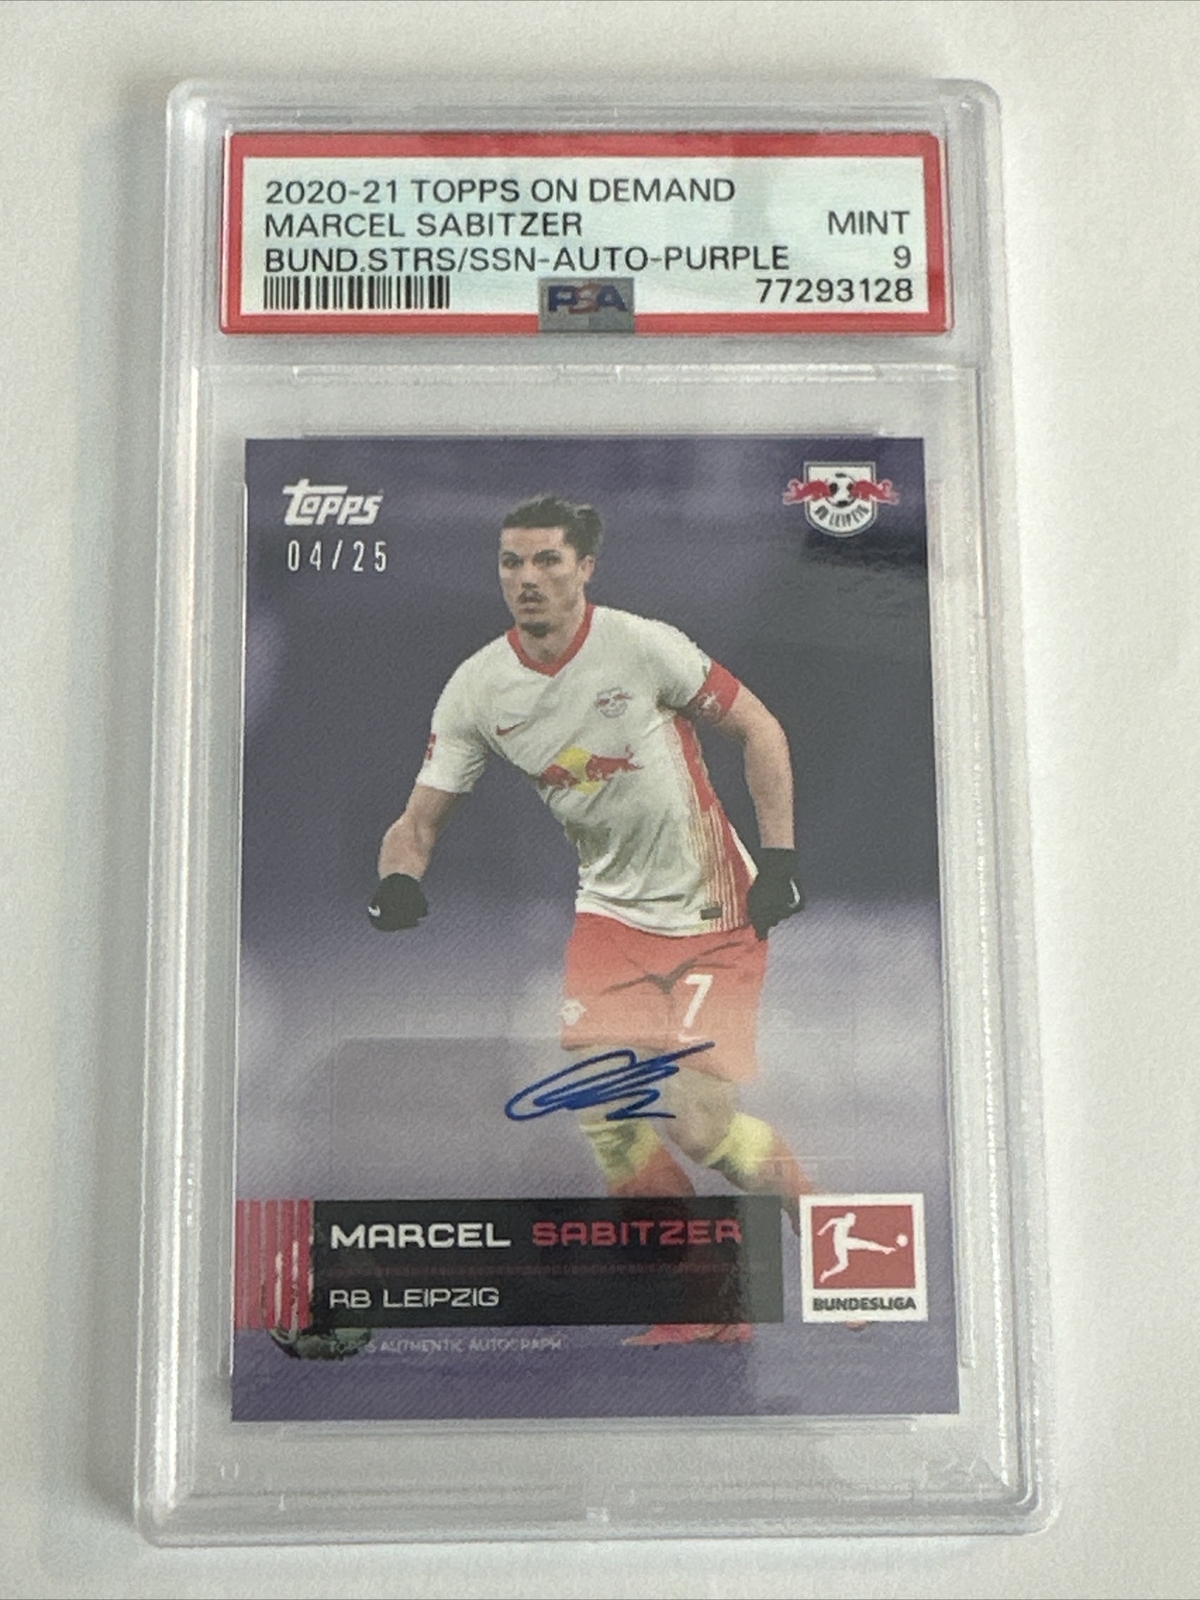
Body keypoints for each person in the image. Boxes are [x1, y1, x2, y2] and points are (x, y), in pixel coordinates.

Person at [370, 495, 811, 1346]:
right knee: (606, 1116)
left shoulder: (641, 646)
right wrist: (399, 880)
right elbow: (416, 821)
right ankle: (705, 1305)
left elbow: (760, 728)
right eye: (512, 562)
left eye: (547, 560)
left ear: (585, 569)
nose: (527, 578)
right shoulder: (478, 687)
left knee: (701, 1130)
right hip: (609, 917)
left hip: (714, 912)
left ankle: (820, 1212)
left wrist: (782, 859)